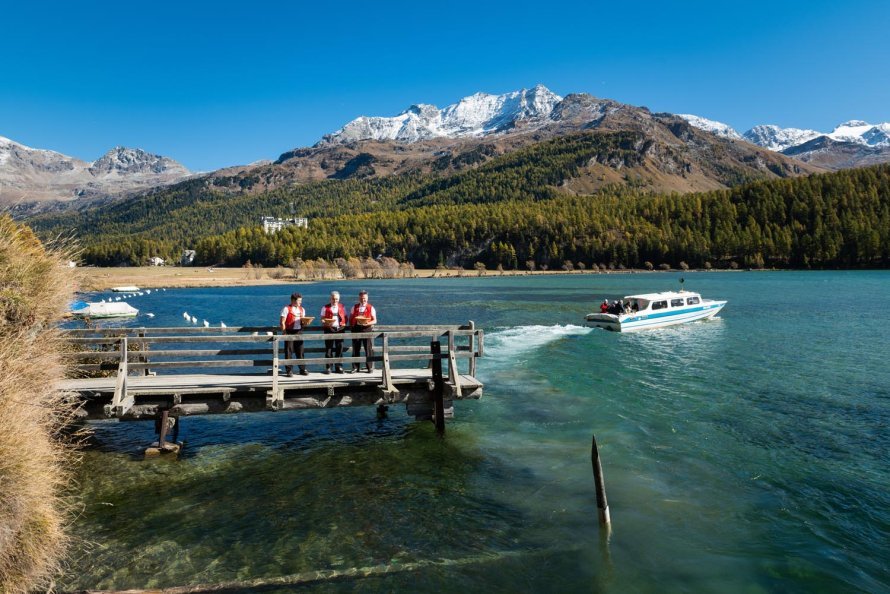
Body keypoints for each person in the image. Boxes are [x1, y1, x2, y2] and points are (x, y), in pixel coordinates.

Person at [279, 292, 308, 376]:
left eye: (301, 301)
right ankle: (289, 370)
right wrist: (284, 332)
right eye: (299, 301)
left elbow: (303, 322)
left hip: (299, 331)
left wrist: (306, 322)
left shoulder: (302, 309)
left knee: (300, 351)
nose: (300, 302)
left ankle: (302, 369)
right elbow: (282, 322)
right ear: (293, 300)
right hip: (289, 331)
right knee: (288, 351)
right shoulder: (286, 308)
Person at [349, 290, 377, 373]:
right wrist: (352, 326)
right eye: (361, 298)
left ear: (367, 298)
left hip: (367, 329)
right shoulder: (354, 307)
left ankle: (369, 367)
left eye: (364, 298)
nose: (363, 300)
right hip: (356, 329)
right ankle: (355, 367)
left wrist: (368, 323)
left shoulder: (371, 307)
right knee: (355, 349)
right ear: (359, 298)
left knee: (368, 348)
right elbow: (350, 318)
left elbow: (375, 320)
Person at [320, 290, 347, 373]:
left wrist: (343, 324)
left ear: (339, 299)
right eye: (333, 299)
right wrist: (325, 322)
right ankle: (329, 367)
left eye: (336, 299)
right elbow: (322, 319)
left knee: (340, 348)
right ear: (330, 299)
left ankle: (339, 367)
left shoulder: (342, 307)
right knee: (329, 349)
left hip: (340, 329)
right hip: (329, 329)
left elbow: (345, 317)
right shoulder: (325, 307)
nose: (335, 301)